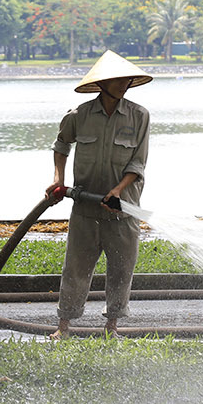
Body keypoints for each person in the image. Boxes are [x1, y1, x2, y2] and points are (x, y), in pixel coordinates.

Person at [45, 50, 152, 338]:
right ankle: (64, 327)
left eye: (127, 79)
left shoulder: (139, 116)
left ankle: (111, 327)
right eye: (118, 79)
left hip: (122, 209)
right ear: (102, 83)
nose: (124, 83)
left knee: (121, 269)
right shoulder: (78, 116)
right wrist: (58, 179)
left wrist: (117, 191)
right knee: (76, 268)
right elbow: (61, 146)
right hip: (85, 208)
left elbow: (137, 163)